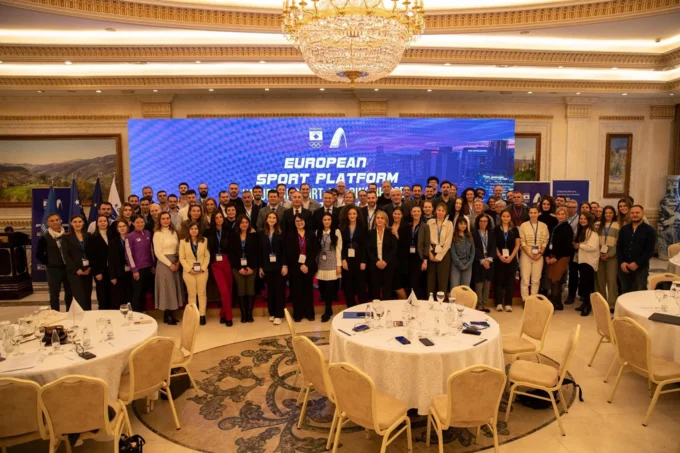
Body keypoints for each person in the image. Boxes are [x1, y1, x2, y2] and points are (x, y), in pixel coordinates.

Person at [285, 214, 319, 321]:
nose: (299, 223)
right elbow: (289, 253)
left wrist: (307, 264)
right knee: (297, 291)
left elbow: (315, 250)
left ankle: (309, 313)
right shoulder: (290, 235)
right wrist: (300, 265)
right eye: (297, 221)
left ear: (305, 221)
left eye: (301, 220)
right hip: (295, 268)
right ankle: (298, 314)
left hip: (308, 267)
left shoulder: (311, 234)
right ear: (294, 223)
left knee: (308, 290)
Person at [36, 213, 73, 311]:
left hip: (68, 268)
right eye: (52, 221)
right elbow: (39, 254)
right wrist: (49, 262)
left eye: (57, 220)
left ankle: (69, 312)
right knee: (54, 294)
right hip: (54, 270)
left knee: (70, 292)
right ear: (48, 223)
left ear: (60, 221)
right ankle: (55, 314)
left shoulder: (68, 235)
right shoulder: (45, 237)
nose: (55, 222)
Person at [617, 205, 656, 294]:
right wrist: (621, 262)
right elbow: (619, 247)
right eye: (632, 213)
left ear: (643, 213)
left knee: (640, 292)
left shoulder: (649, 230)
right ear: (629, 214)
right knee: (625, 292)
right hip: (624, 267)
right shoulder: (624, 229)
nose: (635, 215)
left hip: (640, 268)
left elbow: (650, 251)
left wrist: (637, 263)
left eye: (637, 212)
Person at [153, 212, 184, 325]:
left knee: (173, 288)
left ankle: (170, 314)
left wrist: (178, 262)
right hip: (164, 263)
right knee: (166, 288)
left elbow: (178, 247)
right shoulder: (157, 234)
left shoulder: (173, 232)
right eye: (163, 219)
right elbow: (157, 252)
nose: (166, 220)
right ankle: (167, 315)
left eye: (167, 218)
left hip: (175, 260)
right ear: (159, 221)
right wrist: (169, 264)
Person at [259, 211, 288, 325]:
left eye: (274, 218)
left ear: (277, 220)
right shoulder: (262, 234)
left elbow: (285, 251)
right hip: (267, 267)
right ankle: (272, 312)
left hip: (280, 266)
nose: (271, 219)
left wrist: (285, 265)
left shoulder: (281, 233)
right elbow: (260, 252)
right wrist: (261, 267)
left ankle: (279, 314)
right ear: (266, 219)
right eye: (269, 217)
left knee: (279, 291)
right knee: (270, 291)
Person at [228, 215, 259, 323]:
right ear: (238, 224)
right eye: (242, 222)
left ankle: (249, 314)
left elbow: (257, 252)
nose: (244, 224)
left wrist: (251, 267)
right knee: (241, 289)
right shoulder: (233, 236)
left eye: (246, 222)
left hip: (252, 267)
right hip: (237, 267)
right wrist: (239, 267)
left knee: (250, 289)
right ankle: (243, 314)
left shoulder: (254, 236)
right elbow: (231, 253)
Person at [179, 221, 210, 325]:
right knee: (191, 294)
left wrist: (203, 268)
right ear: (188, 230)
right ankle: (193, 316)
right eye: (191, 229)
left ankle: (202, 315)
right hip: (189, 272)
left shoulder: (204, 240)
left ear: (198, 230)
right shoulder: (183, 242)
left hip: (202, 272)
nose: (194, 230)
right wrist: (189, 269)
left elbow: (207, 256)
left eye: (196, 229)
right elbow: (182, 258)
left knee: (202, 293)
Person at [207, 211, 234, 326]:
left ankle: (223, 313)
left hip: (227, 261)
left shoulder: (229, 231)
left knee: (229, 289)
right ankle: (229, 317)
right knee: (223, 290)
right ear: (213, 220)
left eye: (221, 217)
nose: (219, 219)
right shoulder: (208, 232)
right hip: (215, 263)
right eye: (217, 218)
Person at [61, 215, 93, 310]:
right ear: (71, 223)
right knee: (79, 296)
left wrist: (90, 267)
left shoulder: (88, 235)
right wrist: (76, 269)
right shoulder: (66, 237)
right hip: (75, 271)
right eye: (75, 222)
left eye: (80, 221)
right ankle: (80, 316)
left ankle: (88, 314)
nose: (77, 224)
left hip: (87, 270)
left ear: (83, 223)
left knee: (87, 295)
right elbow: (66, 255)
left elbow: (93, 252)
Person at [316, 213, 343, 322]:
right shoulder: (317, 232)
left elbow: (339, 249)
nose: (327, 221)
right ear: (322, 221)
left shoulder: (336, 232)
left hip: (332, 263)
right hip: (321, 264)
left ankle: (328, 310)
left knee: (330, 289)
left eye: (329, 219)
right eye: (325, 219)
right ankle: (329, 309)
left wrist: (338, 265)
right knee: (322, 289)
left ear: (332, 221)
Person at [125, 216, 155, 313]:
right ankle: (135, 312)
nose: (140, 224)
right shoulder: (130, 236)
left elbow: (151, 250)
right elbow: (128, 254)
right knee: (137, 292)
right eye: (137, 222)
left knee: (145, 291)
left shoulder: (148, 233)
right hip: (138, 269)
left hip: (148, 267)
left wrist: (153, 265)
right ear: (133, 223)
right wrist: (134, 270)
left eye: (142, 222)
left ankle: (143, 310)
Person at [544, 207, 572, 310]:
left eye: (562, 214)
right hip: (553, 255)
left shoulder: (567, 228)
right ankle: (555, 301)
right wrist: (547, 255)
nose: (560, 216)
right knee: (552, 278)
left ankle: (557, 303)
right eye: (558, 214)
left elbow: (566, 246)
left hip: (561, 257)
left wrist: (555, 258)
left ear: (566, 215)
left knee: (556, 279)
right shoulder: (556, 226)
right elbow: (551, 242)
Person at [519, 206, 549, 302]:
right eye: (531, 213)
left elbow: (545, 241)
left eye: (535, 213)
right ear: (528, 214)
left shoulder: (544, 226)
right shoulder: (524, 225)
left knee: (536, 279)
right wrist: (529, 254)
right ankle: (525, 299)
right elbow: (522, 241)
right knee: (525, 279)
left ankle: (533, 299)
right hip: (526, 253)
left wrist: (540, 253)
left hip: (539, 254)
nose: (533, 215)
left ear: (538, 213)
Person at [340, 206, 368, 307]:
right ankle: (350, 306)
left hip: (359, 259)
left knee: (361, 284)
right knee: (348, 285)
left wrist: (363, 261)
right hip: (347, 260)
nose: (352, 216)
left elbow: (365, 245)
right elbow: (340, 245)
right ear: (346, 215)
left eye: (354, 214)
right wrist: (343, 259)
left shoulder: (363, 227)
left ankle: (363, 306)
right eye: (350, 214)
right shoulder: (342, 227)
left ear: (357, 215)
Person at [367, 211, 398, 300]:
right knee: (375, 288)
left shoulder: (391, 232)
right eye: (378, 218)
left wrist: (385, 261)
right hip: (374, 264)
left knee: (387, 289)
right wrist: (376, 261)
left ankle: (386, 307)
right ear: (375, 220)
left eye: (382, 218)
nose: (380, 220)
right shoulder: (370, 233)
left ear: (386, 221)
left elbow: (394, 248)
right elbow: (368, 249)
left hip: (388, 264)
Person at [494, 211, 520, 312]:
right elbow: (494, 244)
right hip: (499, 259)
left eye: (507, 216)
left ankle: (508, 303)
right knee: (499, 281)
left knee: (510, 281)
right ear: (500, 217)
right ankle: (499, 303)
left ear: (510, 218)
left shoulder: (514, 229)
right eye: (504, 216)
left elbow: (517, 245)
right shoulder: (496, 229)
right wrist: (500, 255)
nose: (505, 218)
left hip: (511, 259)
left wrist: (511, 257)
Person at [574, 213, 599, 316]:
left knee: (588, 285)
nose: (582, 220)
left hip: (589, 262)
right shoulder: (583, 230)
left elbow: (592, 247)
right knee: (584, 284)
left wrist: (579, 246)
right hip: (583, 260)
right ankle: (584, 303)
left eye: (585, 219)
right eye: (581, 218)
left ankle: (588, 306)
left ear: (589, 220)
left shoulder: (592, 232)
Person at [427, 203, 454, 295]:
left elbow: (448, 242)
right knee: (431, 279)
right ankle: (430, 300)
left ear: (445, 212)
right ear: (435, 211)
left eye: (443, 211)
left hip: (444, 253)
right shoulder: (430, 222)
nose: (440, 212)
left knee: (443, 279)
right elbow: (426, 239)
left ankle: (441, 300)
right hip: (431, 251)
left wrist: (439, 256)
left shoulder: (449, 224)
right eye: (439, 210)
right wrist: (429, 252)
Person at [86, 215, 112, 310]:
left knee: (112, 292)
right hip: (100, 270)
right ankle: (102, 311)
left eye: (104, 221)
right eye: (100, 221)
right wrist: (97, 271)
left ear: (108, 222)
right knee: (102, 292)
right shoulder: (92, 237)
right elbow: (91, 256)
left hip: (112, 269)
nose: (102, 223)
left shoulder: (113, 235)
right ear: (97, 224)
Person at [596, 205, 620, 311]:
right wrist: (599, 253)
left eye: (610, 213)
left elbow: (619, 242)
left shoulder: (618, 225)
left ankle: (612, 303)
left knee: (611, 280)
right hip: (599, 255)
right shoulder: (597, 225)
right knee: (600, 280)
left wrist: (609, 254)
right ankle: (602, 302)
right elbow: (594, 240)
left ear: (614, 214)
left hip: (612, 255)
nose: (608, 215)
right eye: (606, 213)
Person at [472, 214, 495, 312]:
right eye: (481, 221)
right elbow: (475, 248)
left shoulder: (492, 233)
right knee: (479, 284)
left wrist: (488, 260)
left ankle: (485, 304)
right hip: (478, 261)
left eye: (485, 221)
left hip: (489, 261)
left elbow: (493, 246)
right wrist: (482, 260)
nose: (483, 223)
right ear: (478, 222)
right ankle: (479, 305)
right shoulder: (474, 233)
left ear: (488, 223)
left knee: (487, 284)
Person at [406, 205, 430, 299]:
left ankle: (416, 300)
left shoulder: (425, 226)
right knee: (409, 280)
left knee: (415, 281)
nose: (416, 213)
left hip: (419, 257)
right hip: (408, 257)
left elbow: (426, 244)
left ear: (421, 213)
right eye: (414, 211)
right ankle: (410, 300)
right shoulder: (408, 225)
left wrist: (425, 261)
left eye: (418, 211)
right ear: (411, 213)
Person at [108, 219, 133, 308]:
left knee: (131, 295)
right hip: (119, 273)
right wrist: (113, 276)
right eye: (120, 226)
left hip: (132, 272)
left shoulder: (132, 239)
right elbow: (111, 260)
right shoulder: (113, 242)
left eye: (124, 226)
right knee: (120, 296)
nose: (122, 228)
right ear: (117, 229)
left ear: (127, 227)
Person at [390, 207, 410, 299]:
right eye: (395, 213)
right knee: (391, 283)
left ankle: (406, 301)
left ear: (402, 215)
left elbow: (406, 244)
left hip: (401, 259)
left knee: (397, 283)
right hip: (390, 258)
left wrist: (397, 236)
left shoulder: (406, 226)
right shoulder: (388, 225)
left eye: (399, 214)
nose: (396, 216)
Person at [449, 216, 475, 288]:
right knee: (455, 285)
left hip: (468, 265)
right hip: (456, 265)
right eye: (461, 224)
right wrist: (460, 264)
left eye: (464, 224)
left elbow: (473, 252)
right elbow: (453, 252)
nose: (463, 226)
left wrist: (468, 264)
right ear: (457, 225)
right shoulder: (453, 236)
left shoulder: (470, 236)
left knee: (465, 287)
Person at [564, 199, 580, 305]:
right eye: (569, 207)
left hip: (575, 248)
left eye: (574, 207)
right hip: (564, 248)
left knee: (573, 272)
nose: (571, 209)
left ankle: (571, 295)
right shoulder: (563, 217)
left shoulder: (580, 219)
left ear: (577, 208)